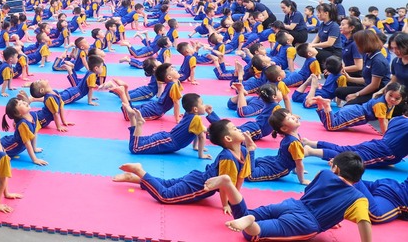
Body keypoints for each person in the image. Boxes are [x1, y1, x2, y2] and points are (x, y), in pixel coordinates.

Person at [208, 151, 371, 242]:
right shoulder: (359, 199)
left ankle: (228, 184)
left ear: (336, 169)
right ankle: (250, 223)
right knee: (251, 234)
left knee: (245, 215)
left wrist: (333, 217)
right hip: (305, 222)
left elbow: (311, 193)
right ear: (357, 179)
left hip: (291, 204)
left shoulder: (324, 174)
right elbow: (364, 222)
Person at [111, 119, 254, 210]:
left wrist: (235, 197)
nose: (239, 129)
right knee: (166, 196)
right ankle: (139, 171)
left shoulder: (244, 151)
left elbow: (241, 177)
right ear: (228, 138)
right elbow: (224, 184)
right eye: (235, 129)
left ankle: (135, 178)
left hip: (198, 177)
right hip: (200, 185)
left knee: (166, 183)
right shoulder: (228, 157)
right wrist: (226, 204)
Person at [127, 93, 219, 158]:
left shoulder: (189, 114)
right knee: (135, 148)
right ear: (195, 109)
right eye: (202, 104)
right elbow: (201, 136)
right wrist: (201, 155)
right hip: (168, 142)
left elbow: (197, 131)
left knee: (138, 143)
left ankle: (132, 118)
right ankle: (138, 123)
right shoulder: (196, 118)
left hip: (166, 138)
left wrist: (195, 147)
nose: (204, 106)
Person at [302, 114, 408, 167]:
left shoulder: (399, 119)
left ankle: (311, 143)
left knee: (342, 149)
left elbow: (390, 126)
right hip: (386, 152)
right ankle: (311, 151)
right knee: (351, 160)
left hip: (376, 143)